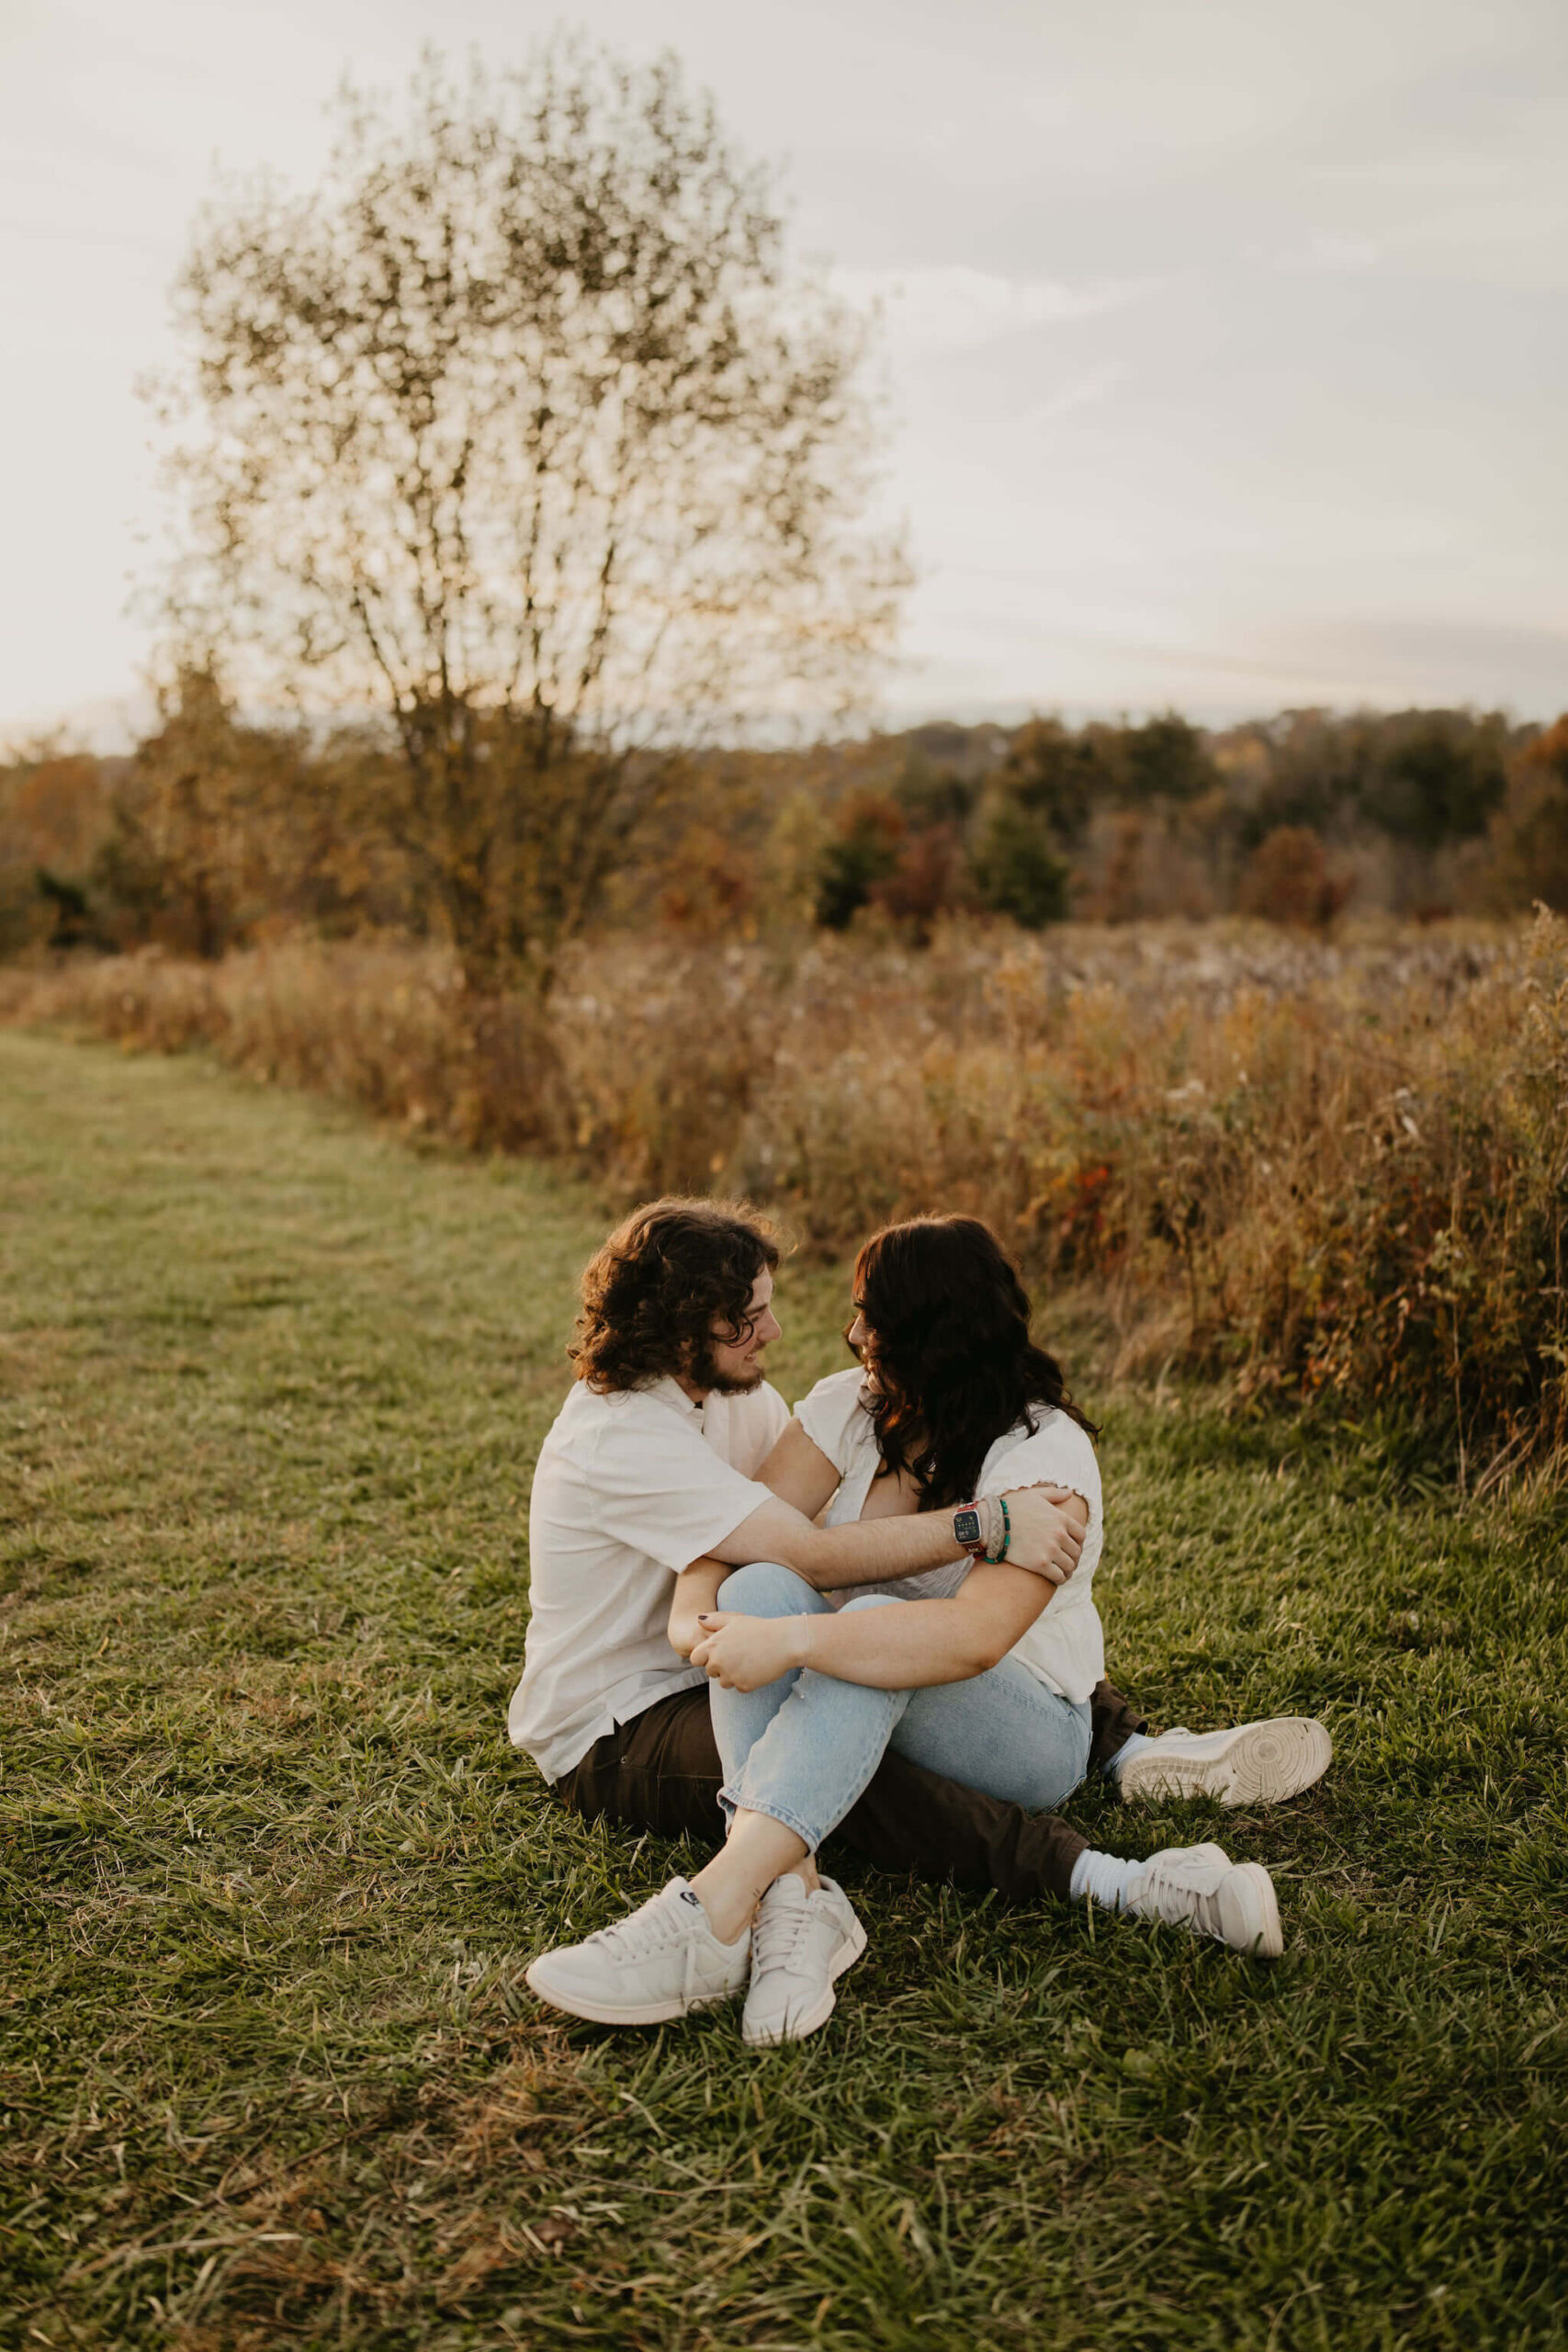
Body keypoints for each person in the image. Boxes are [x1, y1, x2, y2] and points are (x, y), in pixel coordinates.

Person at [515, 1200, 1331, 2041]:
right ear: (686, 1328)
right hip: (629, 1711)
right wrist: (712, 1625)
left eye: (867, 1323)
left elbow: (968, 1638)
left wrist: (792, 1638)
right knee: (773, 1596)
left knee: (863, 1630)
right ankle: (795, 1908)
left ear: (929, 1337)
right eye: (753, 1316)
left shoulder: (1039, 1457)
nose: (831, 1336)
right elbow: (755, 1561)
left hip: (1013, 1726)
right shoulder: (839, 1409)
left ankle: (718, 1907)